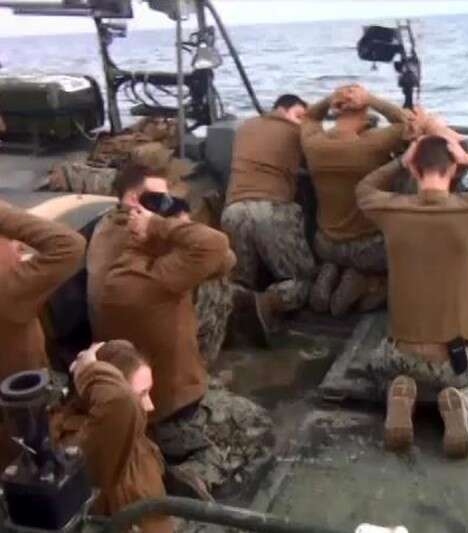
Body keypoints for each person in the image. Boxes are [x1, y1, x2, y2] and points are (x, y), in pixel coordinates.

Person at [356, 133, 468, 459]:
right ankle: (463, 401)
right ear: (454, 170)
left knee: (375, 365)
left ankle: (398, 392)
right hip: (457, 362)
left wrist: (399, 161)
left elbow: (364, 188)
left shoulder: (389, 208)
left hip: (401, 356)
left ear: (414, 168)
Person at [91, 187, 235, 427]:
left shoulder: (134, 259)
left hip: (152, 397)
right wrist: (158, 225)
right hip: (171, 410)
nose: (183, 237)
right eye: (179, 231)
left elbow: (226, 259)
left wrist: (163, 229)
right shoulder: (152, 277)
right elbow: (217, 245)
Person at [88, 162, 231, 364]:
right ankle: (202, 360)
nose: (166, 205)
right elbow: (225, 257)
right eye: (159, 199)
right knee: (216, 283)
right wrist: (174, 226)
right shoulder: (141, 235)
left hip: (120, 335)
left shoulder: (108, 223)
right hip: (147, 342)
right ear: (134, 199)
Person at [302, 84, 412, 316]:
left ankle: (331, 271)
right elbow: (406, 123)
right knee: (413, 246)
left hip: (325, 244)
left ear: (336, 111)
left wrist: (330, 99)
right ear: (365, 115)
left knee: (336, 254)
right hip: (365, 247)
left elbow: (310, 116)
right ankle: (367, 281)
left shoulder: (313, 143)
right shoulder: (373, 143)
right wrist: (370, 98)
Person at [52, 340, 173, 533]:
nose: (150, 406)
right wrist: (88, 371)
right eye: (141, 395)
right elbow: (120, 401)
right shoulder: (88, 440)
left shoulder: (125, 429)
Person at [221, 94, 316, 334]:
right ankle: (267, 304)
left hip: (233, 209)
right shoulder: (297, 133)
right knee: (302, 280)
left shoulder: (246, 126)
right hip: (271, 210)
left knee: (240, 279)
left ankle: (231, 311)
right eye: (299, 115)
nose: (301, 121)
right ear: (284, 110)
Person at [0, 201, 85, 468]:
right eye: (8, 240)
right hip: (23, 423)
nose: (20, 247)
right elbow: (70, 246)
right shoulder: (9, 292)